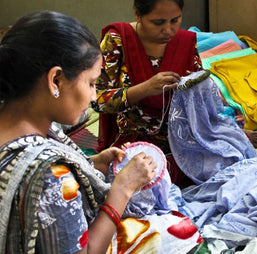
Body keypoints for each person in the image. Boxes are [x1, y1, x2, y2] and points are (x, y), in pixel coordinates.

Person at [0, 10, 204, 253]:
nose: (94, 95)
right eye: (90, 83)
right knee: (178, 232)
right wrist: (122, 190)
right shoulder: (51, 175)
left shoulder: (28, 125)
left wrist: (90, 163)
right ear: (55, 80)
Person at [93, 0, 257, 188]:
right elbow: (97, 100)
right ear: (137, 15)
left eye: (175, 20)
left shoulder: (186, 42)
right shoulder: (118, 40)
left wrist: (194, 85)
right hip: (138, 136)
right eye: (158, 23)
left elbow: (203, 98)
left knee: (231, 164)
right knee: (145, 181)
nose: (168, 30)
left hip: (186, 134)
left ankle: (231, 133)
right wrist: (145, 88)